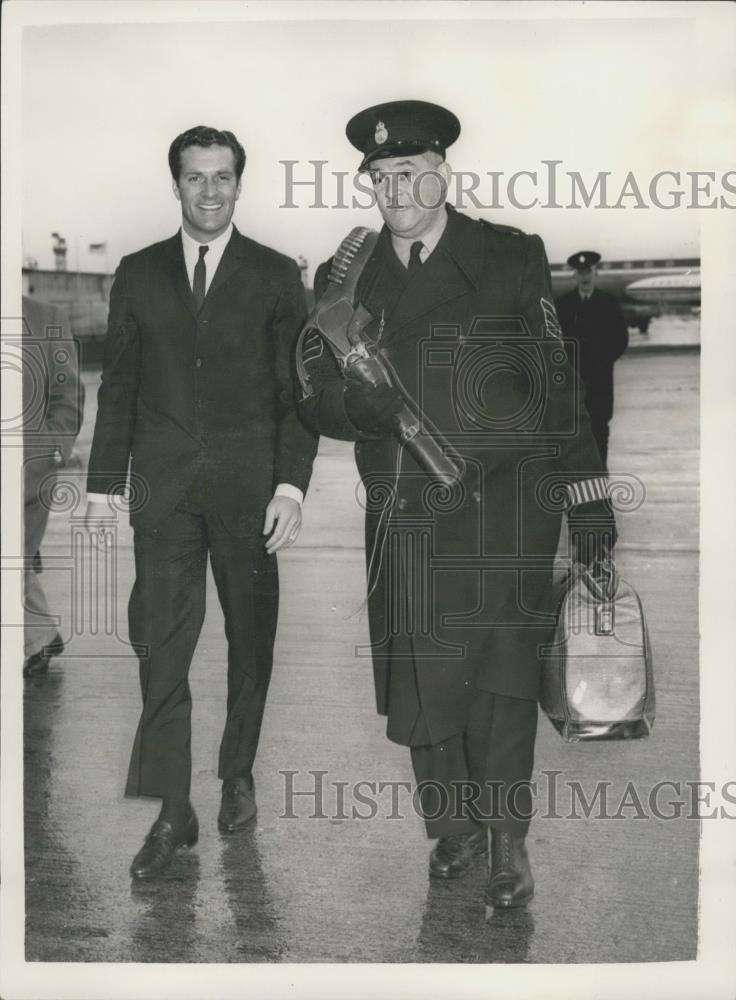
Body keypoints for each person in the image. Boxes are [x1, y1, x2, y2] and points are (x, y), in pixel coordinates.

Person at [297, 100, 616, 910]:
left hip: (504, 508)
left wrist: (586, 499)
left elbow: (553, 382)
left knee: (502, 684)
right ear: (365, 182)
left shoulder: (507, 255)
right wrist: (350, 412)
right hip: (404, 509)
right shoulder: (346, 278)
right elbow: (307, 395)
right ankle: (455, 828)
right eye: (380, 175)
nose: (396, 187)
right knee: (422, 679)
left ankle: (508, 843)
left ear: (443, 172)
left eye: (410, 170)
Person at [85, 125, 318, 879]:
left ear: (239, 184)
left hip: (251, 495)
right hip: (164, 493)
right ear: (175, 185)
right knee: (160, 648)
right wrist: (101, 484)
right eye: (196, 178)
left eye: (223, 177)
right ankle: (171, 809)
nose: (210, 191)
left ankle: (237, 770)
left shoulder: (278, 275)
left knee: (251, 645)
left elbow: (297, 396)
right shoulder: (139, 273)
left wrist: (290, 484)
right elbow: (118, 384)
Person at [22, 296, 84, 677]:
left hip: (27, 472)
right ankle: (41, 636)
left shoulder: (46, 318)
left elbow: (68, 396)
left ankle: (36, 640)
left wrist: (51, 448)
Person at [555, 250, 629, 469]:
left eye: (588, 271)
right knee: (574, 433)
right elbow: (554, 339)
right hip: (572, 381)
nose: (585, 276)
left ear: (595, 273)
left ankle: (600, 485)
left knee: (599, 432)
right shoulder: (563, 305)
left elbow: (620, 339)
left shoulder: (609, 303)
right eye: (580, 273)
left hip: (600, 382)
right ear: (574, 276)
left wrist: (603, 363)